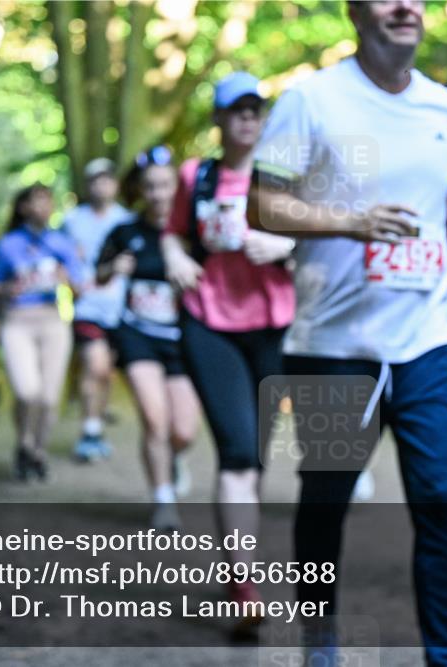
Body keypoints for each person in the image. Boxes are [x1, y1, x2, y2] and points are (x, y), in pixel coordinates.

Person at [250, 2, 447, 664]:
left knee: (441, 502)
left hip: (430, 334)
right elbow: (262, 202)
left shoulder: (446, 108)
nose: (405, 6)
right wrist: (348, 220)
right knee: (326, 499)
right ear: (356, 11)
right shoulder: (310, 99)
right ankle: (320, 631)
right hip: (333, 344)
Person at [162, 72, 296, 635]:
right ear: (218, 119)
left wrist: (286, 242)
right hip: (209, 323)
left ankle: (239, 567)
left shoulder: (285, 177)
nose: (247, 118)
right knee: (238, 451)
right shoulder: (195, 176)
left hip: (273, 326)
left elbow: (322, 235)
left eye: (255, 109)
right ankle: (246, 586)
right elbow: (170, 231)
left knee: (258, 457)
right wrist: (173, 256)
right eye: (235, 110)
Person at [97, 146, 201, 531]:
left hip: (182, 339)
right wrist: (114, 268)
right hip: (137, 334)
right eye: (150, 187)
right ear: (140, 191)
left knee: (183, 431)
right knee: (155, 421)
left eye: (165, 186)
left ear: (177, 187)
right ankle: (163, 499)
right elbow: (98, 275)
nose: (158, 194)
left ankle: (175, 459)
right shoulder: (124, 232)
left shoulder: (193, 232)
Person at [0, 184, 85, 481]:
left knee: (49, 398)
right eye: (36, 201)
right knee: (27, 391)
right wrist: (8, 288)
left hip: (53, 322)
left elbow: (80, 291)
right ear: (24, 207)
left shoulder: (63, 243)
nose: (43, 207)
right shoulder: (8, 244)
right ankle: (24, 442)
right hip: (18, 322)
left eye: (47, 201)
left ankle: (37, 451)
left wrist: (66, 279)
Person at [62, 158, 135, 462]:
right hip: (87, 307)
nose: (101, 186)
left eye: (106, 179)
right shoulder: (72, 220)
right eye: (95, 180)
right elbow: (59, 259)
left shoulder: (127, 220)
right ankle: (89, 431)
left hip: (120, 309)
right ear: (87, 185)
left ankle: (96, 424)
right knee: (95, 364)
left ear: (115, 185)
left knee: (106, 371)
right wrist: (71, 282)